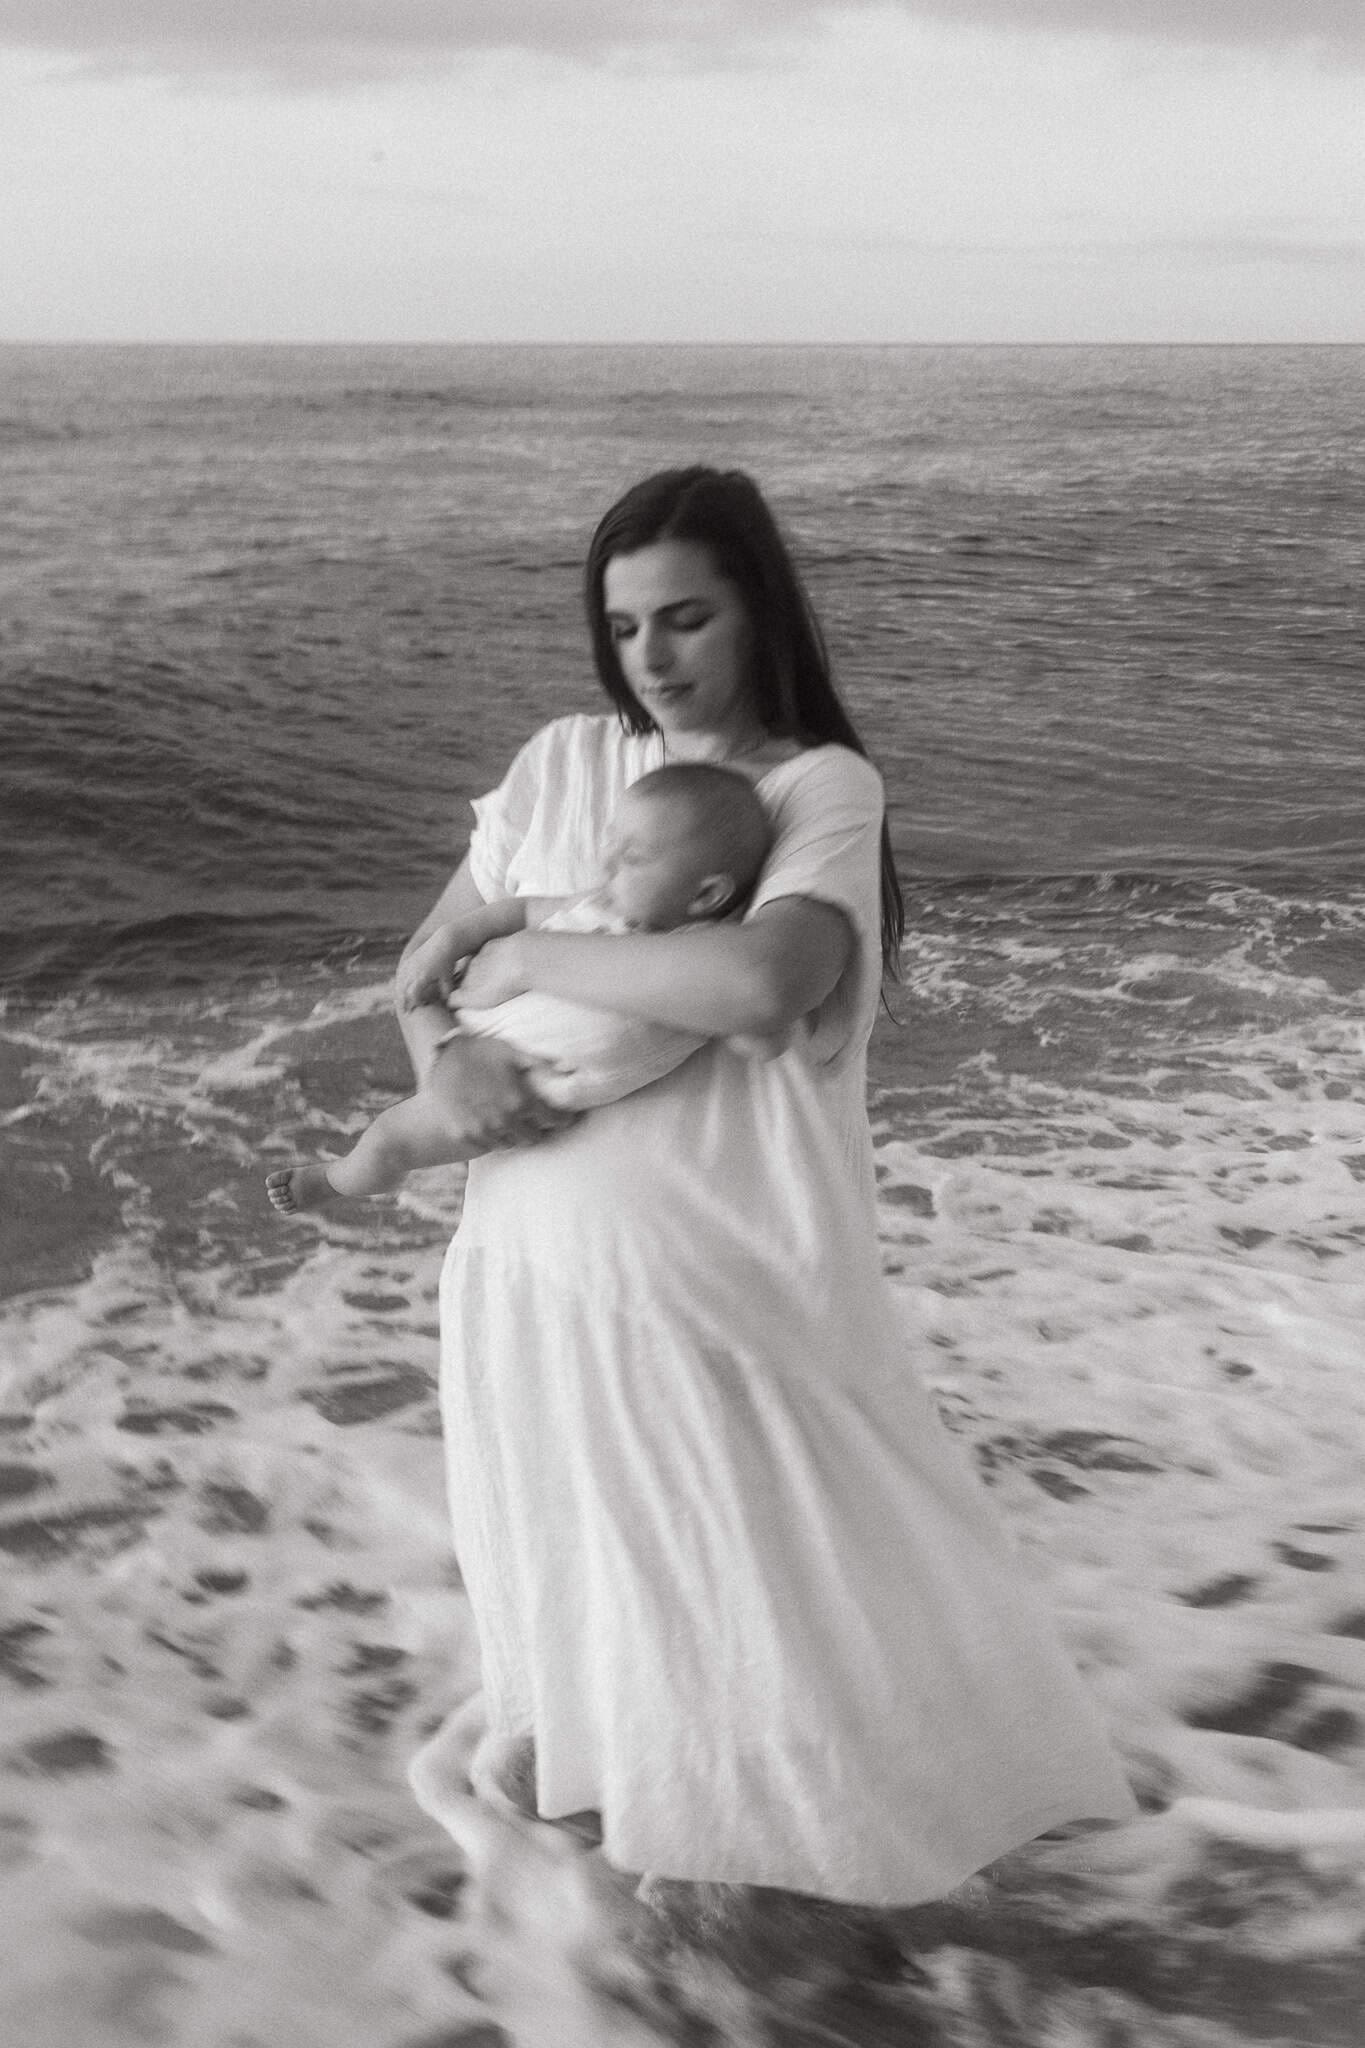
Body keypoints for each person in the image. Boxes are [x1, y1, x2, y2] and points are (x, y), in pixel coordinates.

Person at [404, 467, 1136, 1911]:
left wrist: (532, 960)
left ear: (759, 612)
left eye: (686, 617)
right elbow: (419, 976)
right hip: (535, 1280)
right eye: (623, 627)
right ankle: (662, 1954)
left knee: (787, 1670)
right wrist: (442, 1071)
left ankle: (857, 1946)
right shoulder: (559, 766)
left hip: (726, 1293)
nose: (653, 658)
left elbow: (756, 982)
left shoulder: (816, 787)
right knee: (626, 1665)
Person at [264, 763, 773, 1214]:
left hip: (517, 1098)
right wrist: (448, 942)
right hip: (469, 1028)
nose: (607, 866)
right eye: (610, 842)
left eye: (632, 857)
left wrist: (761, 1029)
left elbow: (752, 1020)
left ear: (708, 894)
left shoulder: (701, 960)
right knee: (409, 1037)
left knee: (387, 1139)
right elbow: (517, 911)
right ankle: (340, 1179)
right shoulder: (600, 907)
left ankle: (336, 1180)